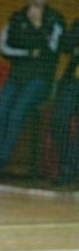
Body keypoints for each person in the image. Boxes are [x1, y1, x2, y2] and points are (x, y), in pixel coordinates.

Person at [0, 0, 65, 173]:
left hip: (40, 79)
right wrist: (30, 53)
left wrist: (38, 28)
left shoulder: (55, 19)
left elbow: (54, 49)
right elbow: (5, 48)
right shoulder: (17, 18)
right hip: (17, 76)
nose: (38, 1)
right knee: (0, 113)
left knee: (16, 115)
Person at [52, 19, 79, 184]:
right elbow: (64, 45)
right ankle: (67, 162)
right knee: (58, 120)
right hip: (72, 83)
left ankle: (70, 168)